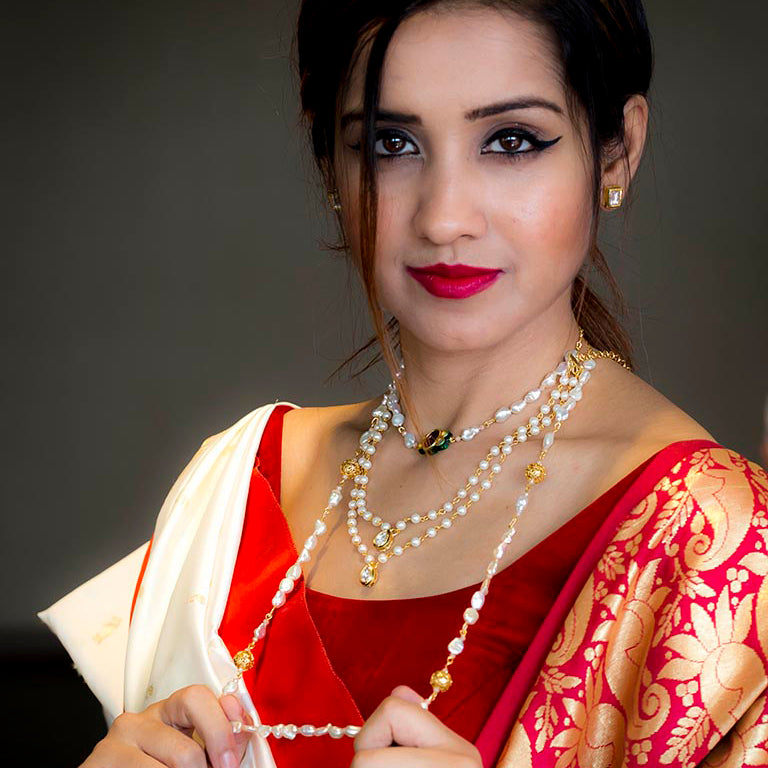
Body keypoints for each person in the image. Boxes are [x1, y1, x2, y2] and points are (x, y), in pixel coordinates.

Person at [40, 1, 768, 766]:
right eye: (392, 144)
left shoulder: (715, 542)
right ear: (333, 165)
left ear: (618, 153)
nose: (445, 217)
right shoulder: (239, 483)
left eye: (511, 140)